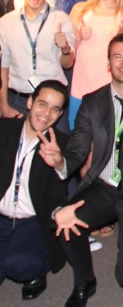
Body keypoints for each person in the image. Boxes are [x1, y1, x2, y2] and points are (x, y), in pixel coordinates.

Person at [40, 33, 123, 305]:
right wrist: (60, 162)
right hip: (104, 186)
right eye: (118, 57)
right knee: (65, 219)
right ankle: (84, 279)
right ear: (108, 63)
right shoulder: (92, 101)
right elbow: (78, 149)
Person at [0, 80, 69, 302]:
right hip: (2, 216)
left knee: (18, 265)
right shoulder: (5, 129)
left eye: (55, 109)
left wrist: (59, 164)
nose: (46, 114)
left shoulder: (61, 145)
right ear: (29, 102)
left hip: (32, 221)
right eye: (42, 104)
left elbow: (57, 192)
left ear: (60, 114)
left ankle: (37, 271)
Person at [0, 0, 75, 118]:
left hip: (52, 102)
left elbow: (67, 64)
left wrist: (65, 48)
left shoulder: (61, 19)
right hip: (17, 101)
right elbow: (4, 67)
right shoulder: (6, 22)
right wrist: (4, 106)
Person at [68, 0, 123, 129]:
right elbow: (66, 56)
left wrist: (122, 38)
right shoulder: (80, 10)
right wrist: (79, 37)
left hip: (110, 95)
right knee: (78, 139)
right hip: (80, 91)